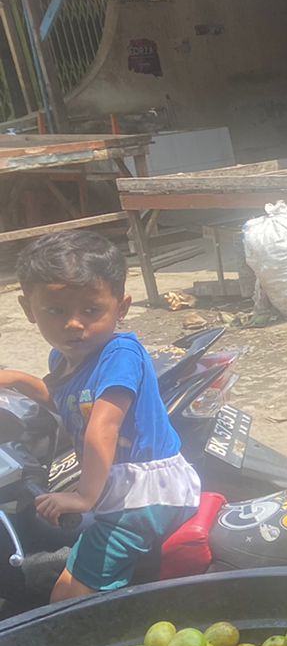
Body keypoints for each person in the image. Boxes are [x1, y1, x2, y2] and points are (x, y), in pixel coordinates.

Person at [0, 231, 200, 601]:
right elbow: (68, 404)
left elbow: (103, 426)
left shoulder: (120, 354)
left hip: (142, 497)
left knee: (66, 598)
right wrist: (16, 379)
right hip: (118, 489)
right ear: (29, 309)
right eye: (56, 311)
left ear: (121, 308)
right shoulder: (65, 357)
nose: (74, 324)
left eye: (91, 311)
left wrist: (83, 496)